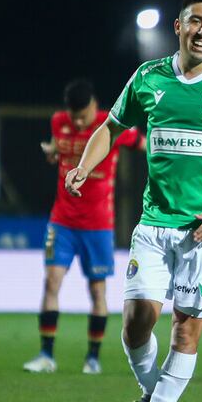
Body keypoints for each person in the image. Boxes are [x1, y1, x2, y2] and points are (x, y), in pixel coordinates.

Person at [65, 0, 202, 402]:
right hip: (154, 223)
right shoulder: (149, 78)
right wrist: (84, 166)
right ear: (178, 26)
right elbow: (110, 127)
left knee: (184, 330)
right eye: (196, 21)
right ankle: (154, 392)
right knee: (135, 324)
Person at [23, 79, 145, 375]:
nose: (78, 121)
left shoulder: (110, 124)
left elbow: (144, 144)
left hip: (98, 224)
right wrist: (53, 152)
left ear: (94, 106)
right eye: (73, 116)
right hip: (62, 220)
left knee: (97, 291)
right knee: (51, 282)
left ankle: (93, 358)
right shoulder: (58, 122)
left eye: (83, 115)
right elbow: (59, 150)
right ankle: (46, 355)